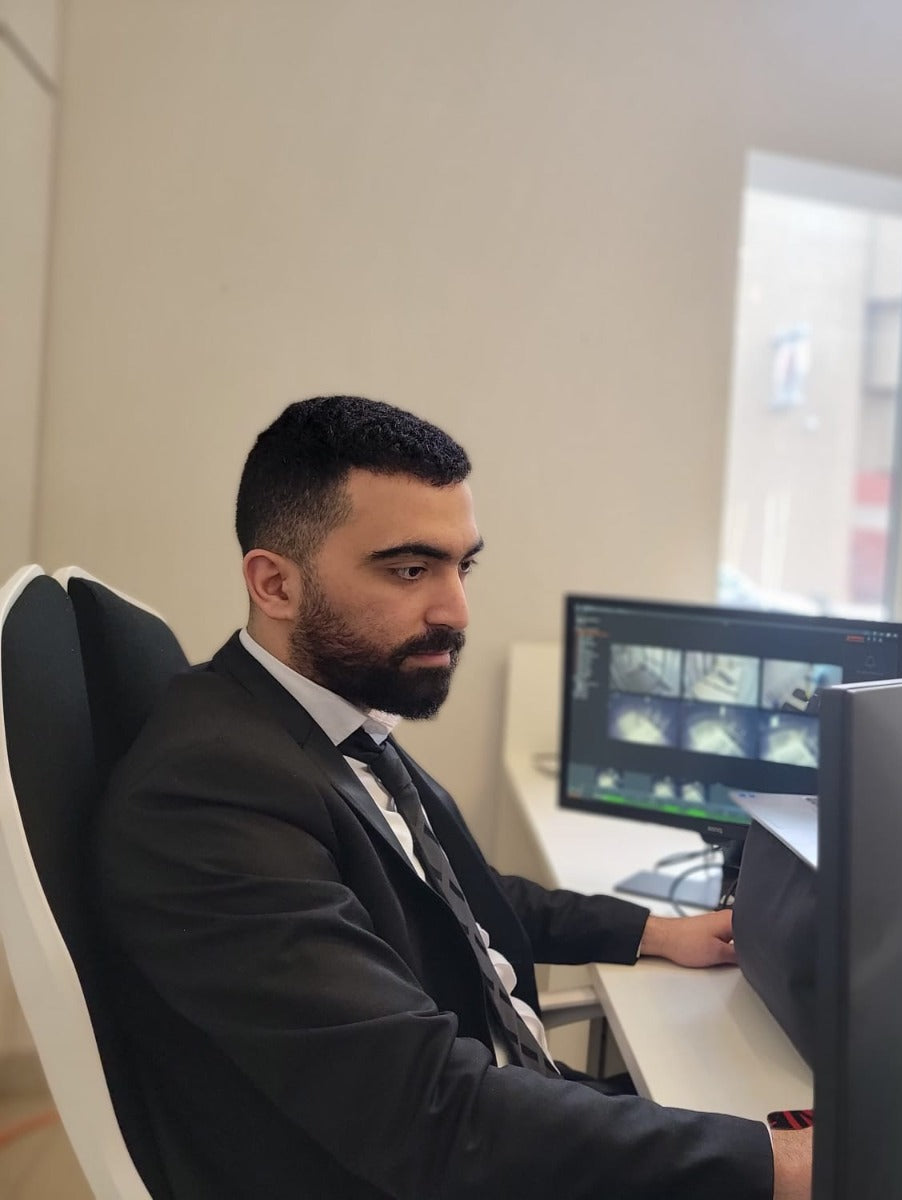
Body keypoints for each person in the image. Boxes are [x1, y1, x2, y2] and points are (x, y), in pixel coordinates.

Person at [95, 396, 812, 1199]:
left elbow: (451, 896)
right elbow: (429, 1110)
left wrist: (651, 930)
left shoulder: (317, 728)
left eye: (460, 566)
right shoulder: (211, 795)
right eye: (409, 569)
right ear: (275, 584)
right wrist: (771, 1166)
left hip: (499, 1118)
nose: (456, 610)